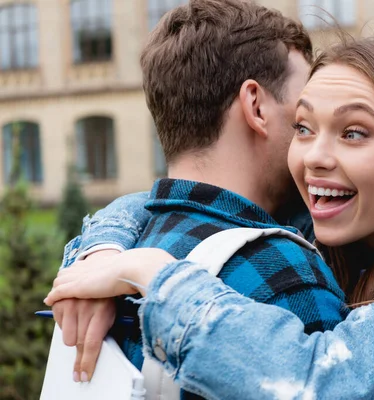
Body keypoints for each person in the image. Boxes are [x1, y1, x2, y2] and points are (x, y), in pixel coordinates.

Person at [47, 37, 374, 399]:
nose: (313, 157)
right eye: (303, 127)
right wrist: (103, 250)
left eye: (353, 133)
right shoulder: (326, 232)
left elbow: (321, 384)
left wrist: (152, 273)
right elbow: (168, 202)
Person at [50, 0, 348, 391]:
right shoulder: (285, 270)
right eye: (304, 116)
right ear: (256, 106)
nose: (314, 138)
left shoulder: (107, 264)